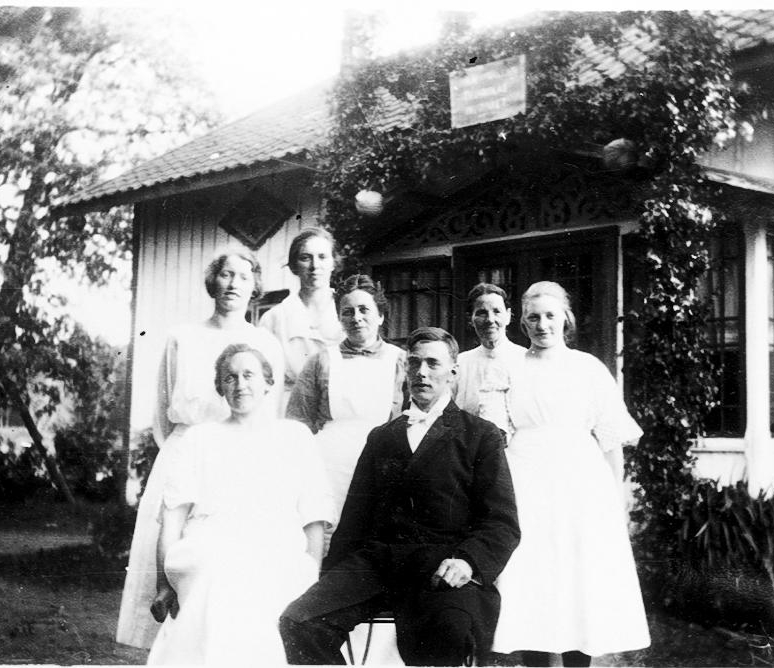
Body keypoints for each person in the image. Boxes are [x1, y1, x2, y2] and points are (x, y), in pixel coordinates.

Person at [280, 327, 521, 666]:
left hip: (443, 565)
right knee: (300, 622)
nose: (422, 372)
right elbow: (355, 519)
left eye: (433, 364)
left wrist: (467, 562)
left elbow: (501, 522)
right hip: (380, 564)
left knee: (448, 630)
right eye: (414, 363)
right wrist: (331, 578)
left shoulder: (480, 436)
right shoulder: (382, 437)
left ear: (453, 373)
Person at [116, 246, 284, 650]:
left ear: (255, 287)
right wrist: (181, 453)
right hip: (184, 455)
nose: (233, 284)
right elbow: (163, 412)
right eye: (226, 274)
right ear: (213, 282)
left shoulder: (265, 342)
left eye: (243, 277)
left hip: (241, 461)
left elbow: (270, 413)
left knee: (229, 568)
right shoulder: (182, 337)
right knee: (174, 556)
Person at [491, 282, 650, 667]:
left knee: (579, 583)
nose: (542, 324)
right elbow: (495, 433)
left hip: (581, 486)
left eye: (550, 315)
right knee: (532, 581)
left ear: (566, 318)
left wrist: (616, 499)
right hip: (526, 484)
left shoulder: (587, 368)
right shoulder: (509, 369)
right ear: (522, 323)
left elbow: (611, 441)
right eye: (533, 317)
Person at [146, 343, 335, 665]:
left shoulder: (295, 436)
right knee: (219, 571)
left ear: (268, 383)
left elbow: (314, 516)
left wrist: (312, 575)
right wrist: (163, 585)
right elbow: (172, 517)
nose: (240, 384)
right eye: (230, 377)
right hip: (209, 541)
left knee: (260, 575)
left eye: (249, 375)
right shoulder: (199, 438)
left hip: (278, 545)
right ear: (220, 387)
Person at [286, 273, 407, 530]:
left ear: (381, 316)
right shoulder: (321, 361)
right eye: (347, 312)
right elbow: (297, 424)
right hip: (328, 466)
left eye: (364, 309)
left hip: (380, 464)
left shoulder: (401, 361)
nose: (356, 318)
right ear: (339, 318)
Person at [260, 227, 344, 407]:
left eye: (322, 257)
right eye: (306, 258)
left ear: (333, 263)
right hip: (290, 408)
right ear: (294, 266)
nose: (315, 266)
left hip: (340, 406)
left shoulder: (349, 310)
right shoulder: (273, 319)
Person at [454, 283, 526, 440]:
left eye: (497, 311)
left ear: (508, 316)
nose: (490, 320)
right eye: (481, 313)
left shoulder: (525, 360)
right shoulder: (461, 364)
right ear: (470, 319)